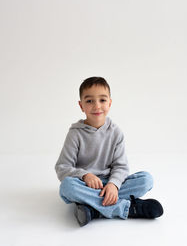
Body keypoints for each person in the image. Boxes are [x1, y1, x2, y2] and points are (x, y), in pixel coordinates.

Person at [55, 76, 164, 226]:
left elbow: (121, 166)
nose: (96, 106)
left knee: (146, 180)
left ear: (110, 103)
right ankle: (127, 208)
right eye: (89, 101)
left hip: (111, 183)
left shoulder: (116, 132)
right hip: (86, 186)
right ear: (81, 106)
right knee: (67, 187)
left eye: (102, 100)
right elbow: (62, 168)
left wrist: (113, 184)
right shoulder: (75, 134)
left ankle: (93, 209)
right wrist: (85, 175)